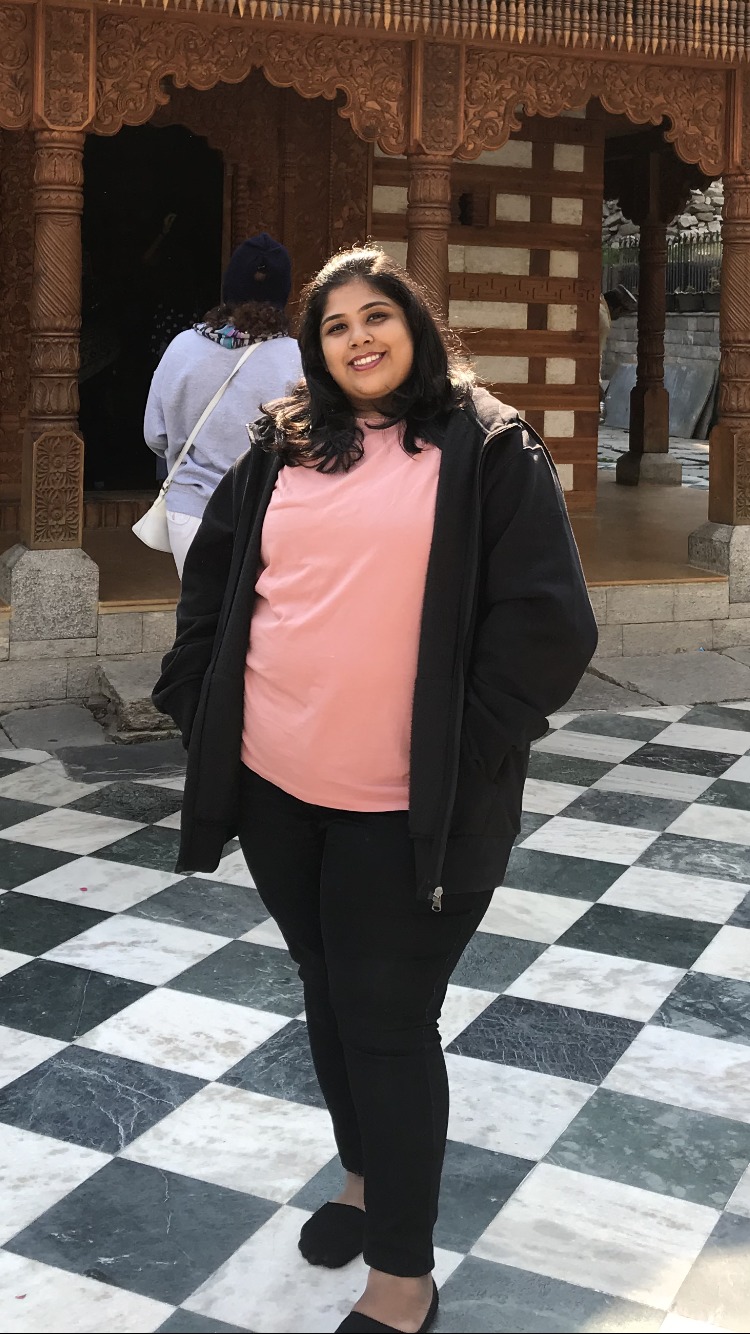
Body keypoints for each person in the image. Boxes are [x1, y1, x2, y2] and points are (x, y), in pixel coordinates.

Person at [153, 246, 598, 1334]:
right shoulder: (287, 439)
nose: (358, 337)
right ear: (315, 347)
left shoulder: (486, 445)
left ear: (415, 325)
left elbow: (550, 623)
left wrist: (466, 746)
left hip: (406, 806)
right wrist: (196, 695)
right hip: (277, 783)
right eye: (336, 323)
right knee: (325, 983)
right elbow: (218, 576)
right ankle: (362, 1179)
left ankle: (403, 1275)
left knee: (389, 1020)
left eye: (377, 316)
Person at [144, 232, 302, 575]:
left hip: (190, 511)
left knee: (198, 609)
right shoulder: (298, 359)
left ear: (228, 288)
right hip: (265, 515)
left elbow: (155, 435)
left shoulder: (182, 347)